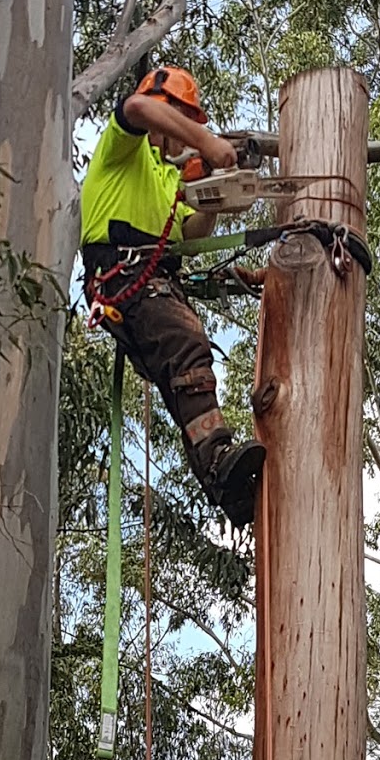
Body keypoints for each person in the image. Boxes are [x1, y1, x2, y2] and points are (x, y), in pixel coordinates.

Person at [80, 66, 266, 528]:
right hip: (123, 274)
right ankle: (219, 457)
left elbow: (188, 232)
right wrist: (209, 143)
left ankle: (224, 486)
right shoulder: (124, 150)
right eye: (182, 121)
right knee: (188, 346)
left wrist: (214, 196)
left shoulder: (166, 180)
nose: (184, 137)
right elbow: (138, 108)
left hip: (151, 281)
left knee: (183, 378)